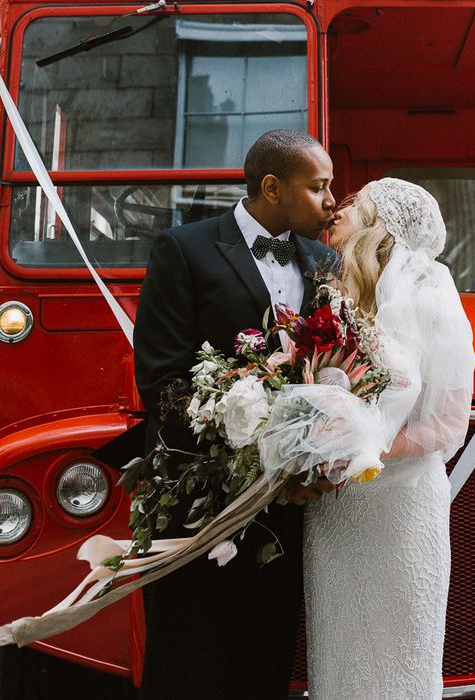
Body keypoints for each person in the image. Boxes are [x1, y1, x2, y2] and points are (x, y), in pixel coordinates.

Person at [133, 129, 337, 698]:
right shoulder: (184, 248)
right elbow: (161, 378)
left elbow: (333, 370)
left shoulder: (325, 261)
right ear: (272, 187)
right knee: (187, 654)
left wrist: (306, 461)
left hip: (287, 505)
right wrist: (242, 457)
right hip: (197, 501)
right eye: (318, 187)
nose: (330, 201)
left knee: (265, 655)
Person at [302, 178, 475, 699]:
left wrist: (366, 448)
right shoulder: (336, 296)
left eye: (354, 204)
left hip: (400, 510)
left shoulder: (429, 297)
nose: (338, 208)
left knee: (401, 658)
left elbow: (448, 424)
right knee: (337, 656)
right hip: (336, 511)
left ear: (380, 224)